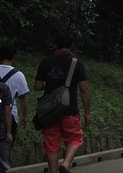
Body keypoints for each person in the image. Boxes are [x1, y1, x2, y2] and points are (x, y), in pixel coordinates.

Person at [34, 31, 90, 173]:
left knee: (51, 143)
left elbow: (38, 86)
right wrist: (87, 112)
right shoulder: (76, 64)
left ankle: (53, 171)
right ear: (71, 45)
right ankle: (65, 164)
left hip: (50, 112)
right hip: (69, 110)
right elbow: (84, 90)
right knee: (75, 138)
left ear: (56, 45)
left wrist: (52, 84)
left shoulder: (46, 62)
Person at [0, 46, 28, 146]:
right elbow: (22, 99)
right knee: (7, 148)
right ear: (14, 57)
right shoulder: (18, 75)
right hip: (10, 116)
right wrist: (25, 116)